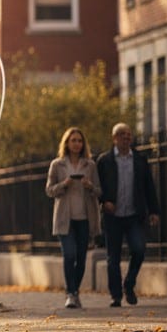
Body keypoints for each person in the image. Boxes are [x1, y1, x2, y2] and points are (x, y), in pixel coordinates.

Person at [95, 122, 161, 307]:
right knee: (112, 258)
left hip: (134, 215)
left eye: (129, 134)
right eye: (122, 134)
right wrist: (103, 202)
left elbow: (149, 186)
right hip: (113, 216)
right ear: (114, 138)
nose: (127, 137)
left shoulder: (140, 159)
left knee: (139, 250)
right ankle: (115, 296)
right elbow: (97, 187)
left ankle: (129, 284)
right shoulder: (104, 160)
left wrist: (154, 211)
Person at [46, 127, 101, 309]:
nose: (77, 144)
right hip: (64, 218)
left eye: (79, 140)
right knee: (69, 255)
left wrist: (89, 185)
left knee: (81, 258)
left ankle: (74, 291)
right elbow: (49, 190)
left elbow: (99, 191)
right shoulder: (57, 164)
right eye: (73, 140)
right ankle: (71, 293)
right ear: (67, 143)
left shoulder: (90, 165)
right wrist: (65, 184)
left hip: (84, 218)